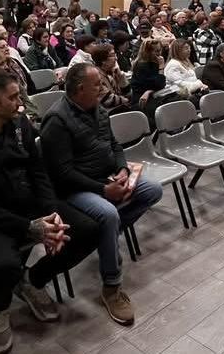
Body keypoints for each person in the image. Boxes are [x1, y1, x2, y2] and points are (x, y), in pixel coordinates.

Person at [0, 70, 100, 353]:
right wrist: (29, 228)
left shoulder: (19, 125)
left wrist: (52, 213)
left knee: (87, 230)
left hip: (24, 204)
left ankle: (32, 281)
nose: (21, 103)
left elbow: (37, 172)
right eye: (14, 97)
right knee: (1, 265)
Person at [41, 63, 161, 325]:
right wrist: (103, 189)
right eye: (97, 84)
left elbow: (115, 145)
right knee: (108, 214)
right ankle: (111, 286)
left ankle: (106, 237)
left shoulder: (98, 109)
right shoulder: (57, 120)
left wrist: (122, 169)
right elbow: (62, 173)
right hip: (75, 189)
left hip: (106, 177)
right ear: (80, 89)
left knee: (152, 190)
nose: (102, 88)